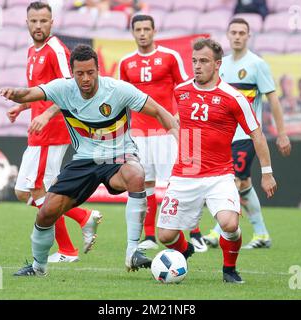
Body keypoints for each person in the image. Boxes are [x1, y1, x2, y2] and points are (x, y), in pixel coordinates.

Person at [0, 44, 179, 276]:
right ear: (72, 73)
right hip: (84, 160)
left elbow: (158, 111)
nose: (85, 79)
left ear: (98, 69)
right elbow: (31, 93)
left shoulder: (118, 90)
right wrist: (14, 93)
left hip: (118, 157)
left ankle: (132, 252)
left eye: (90, 72)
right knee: (46, 212)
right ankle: (38, 267)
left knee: (136, 174)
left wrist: (179, 137)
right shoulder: (63, 89)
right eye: (80, 74)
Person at [157, 38, 277, 284]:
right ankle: (185, 251)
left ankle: (229, 270)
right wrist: (182, 140)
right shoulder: (181, 91)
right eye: (194, 61)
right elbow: (175, 121)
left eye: (203, 61)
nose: (197, 66)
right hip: (184, 174)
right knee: (166, 236)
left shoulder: (233, 97)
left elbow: (256, 133)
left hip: (219, 175)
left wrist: (267, 172)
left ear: (217, 64)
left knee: (229, 224)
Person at [6, 1, 102, 264]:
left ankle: (77, 229)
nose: (38, 25)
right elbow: (41, 90)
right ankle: (72, 240)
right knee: (33, 192)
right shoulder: (32, 51)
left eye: (43, 21)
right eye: (34, 21)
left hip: (51, 130)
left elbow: (70, 88)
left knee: (33, 191)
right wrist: (22, 107)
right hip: (39, 127)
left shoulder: (56, 49)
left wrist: (47, 114)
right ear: (27, 23)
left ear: (52, 22)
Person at [118, 15, 208, 252]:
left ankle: (195, 233)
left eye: (147, 28)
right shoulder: (126, 62)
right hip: (139, 133)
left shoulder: (169, 57)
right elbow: (121, 99)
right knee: (144, 183)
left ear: (154, 31)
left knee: (178, 183)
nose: (143, 33)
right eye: (138, 29)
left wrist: (178, 117)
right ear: (132, 32)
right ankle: (149, 235)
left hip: (166, 131)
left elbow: (186, 88)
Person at [203, 18, 291, 250]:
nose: (238, 36)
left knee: (236, 180)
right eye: (234, 32)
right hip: (222, 135)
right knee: (241, 183)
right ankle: (261, 233)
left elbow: (273, 100)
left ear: (248, 36)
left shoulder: (257, 65)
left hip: (246, 135)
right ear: (228, 35)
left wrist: (282, 133)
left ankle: (218, 230)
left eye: (242, 32)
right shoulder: (220, 65)